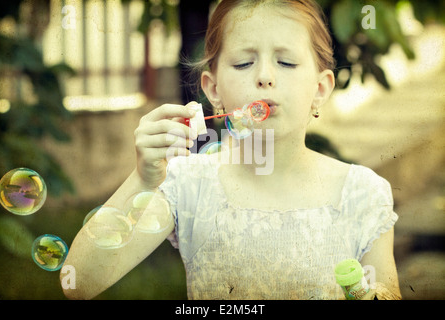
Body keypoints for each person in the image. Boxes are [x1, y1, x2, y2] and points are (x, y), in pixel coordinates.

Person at [62, 0, 401, 300]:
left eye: (285, 62)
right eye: (243, 64)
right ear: (213, 90)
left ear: (320, 89)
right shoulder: (187, 183)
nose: (265, 77)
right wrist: (143, 179)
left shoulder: (363, 193)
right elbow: (79, 284)